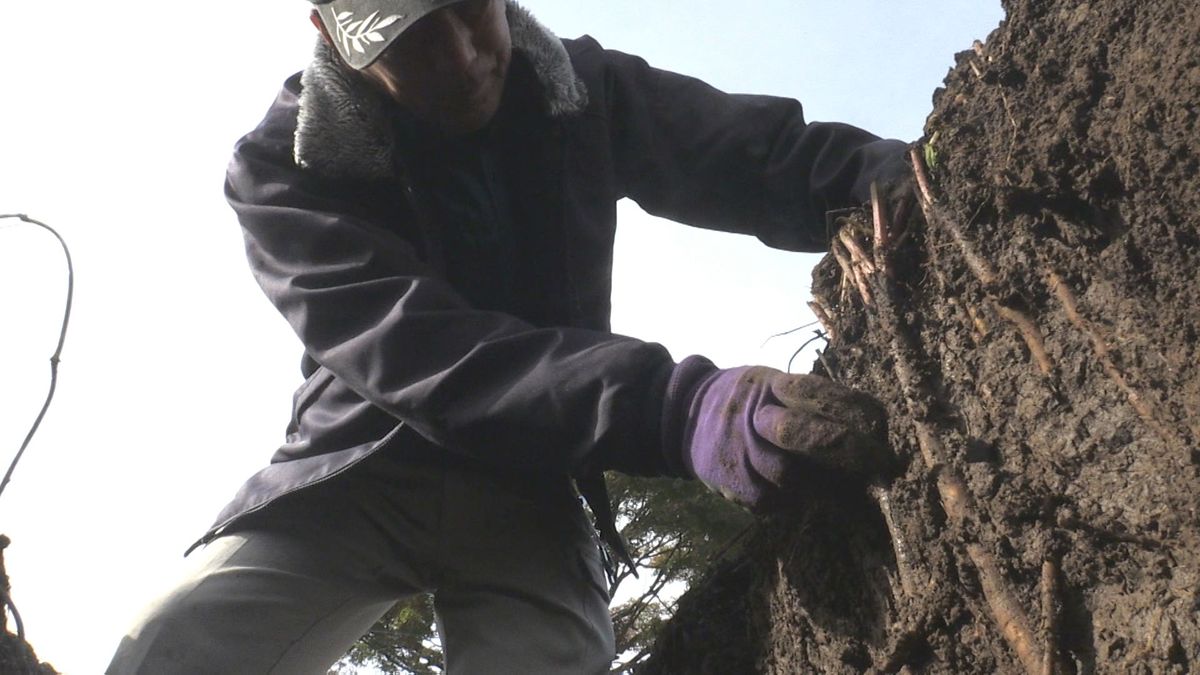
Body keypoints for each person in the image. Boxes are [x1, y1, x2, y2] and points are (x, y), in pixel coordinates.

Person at [107, 0, 908, 672]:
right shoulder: (281, 171)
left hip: (532, 481)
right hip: (359, 473)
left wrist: (903, 176)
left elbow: (752, 157)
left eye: (467, 6)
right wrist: (677, 405)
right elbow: (423, 350)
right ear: (331, 35)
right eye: (406, 38)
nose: (459, 58)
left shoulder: (583, 88)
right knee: (172, 644)